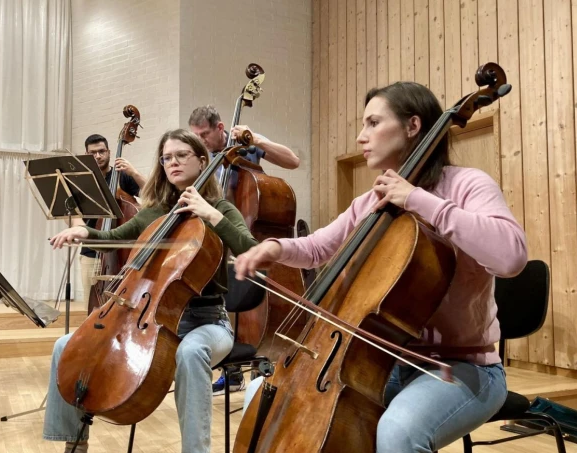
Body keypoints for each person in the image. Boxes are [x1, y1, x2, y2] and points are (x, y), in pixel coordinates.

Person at [234, 82, 528, 453]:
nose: (362, 136)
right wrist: (273, 248)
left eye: (373, 123)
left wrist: (419, 200)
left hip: (464, 367)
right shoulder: (371, 201)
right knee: (262, 395)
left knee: (398, 431)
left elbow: (511, 257)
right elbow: (318, 247)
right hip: (381, 363)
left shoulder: (467, 185)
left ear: (413, 126)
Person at [45, 129, 258, 453]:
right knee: (65, 346)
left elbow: (252, 250)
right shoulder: (155, 212)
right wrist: (84, 231)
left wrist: (211, 214)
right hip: (149, 324)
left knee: (191, 352)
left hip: (207, 322)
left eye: (181, 155)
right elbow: (116, 236)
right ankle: (74, 445)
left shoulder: (221, 209)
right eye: (167, 157)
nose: (173, 162)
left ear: (203, 161)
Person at [188, 105, 300, 394]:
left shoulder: (246, 146)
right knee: (224, 307)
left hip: (246, 240)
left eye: (204, 134)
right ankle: (233, 373)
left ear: (220, 127)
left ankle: (264, 372)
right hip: (219, 243)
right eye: (196, 136)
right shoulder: (206, 159)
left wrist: (257, 139)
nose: (201, 141)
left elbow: (293, 161)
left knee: (251, 306)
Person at [74, 134, 146, 309]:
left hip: (122, 254)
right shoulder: (82, 181)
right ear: (86, 154)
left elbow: (153, 194)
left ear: (109, 152)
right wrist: (79, 230)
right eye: (93, 153)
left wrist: (134, 173)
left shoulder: (122, 177)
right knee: (92, 306)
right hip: (91, 252)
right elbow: (74, 213)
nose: (98, 156)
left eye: (102, 151)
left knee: (123, 307)